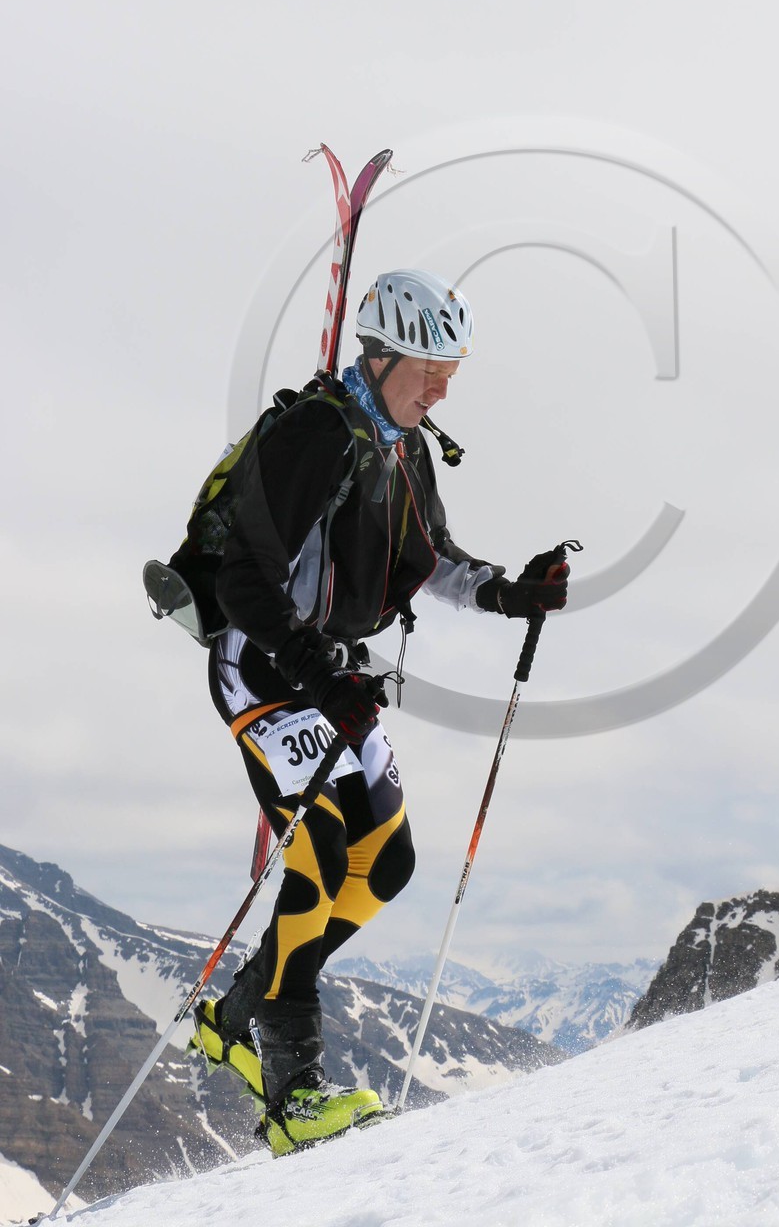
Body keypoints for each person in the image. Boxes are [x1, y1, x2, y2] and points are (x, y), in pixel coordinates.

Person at [188, 268, 569, 1155]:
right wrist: (321, 674)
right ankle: (291, 1093)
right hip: (267, 666)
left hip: (332, 677)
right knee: (319, 852)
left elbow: (430, 560)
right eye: (430, 367)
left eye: (452, 369)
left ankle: (243, 1013)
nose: (443, 386)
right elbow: (246, 577)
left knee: (386, 862)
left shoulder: (407, 447)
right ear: (385, 353)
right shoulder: (315, 434)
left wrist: (511, 594)